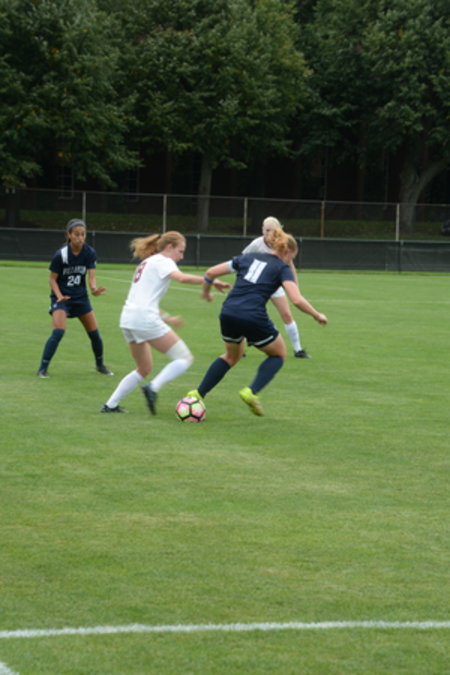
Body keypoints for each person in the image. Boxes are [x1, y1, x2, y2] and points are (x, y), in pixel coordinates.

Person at [186, 228, 328, 417]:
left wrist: (205, 291)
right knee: (279, 354)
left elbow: (211, 272)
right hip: (253, 315)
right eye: (291, 258)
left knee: (231, 356)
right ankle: (251, 392)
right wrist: (316, 315)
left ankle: (197, 393)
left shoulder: (247, 257)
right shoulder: (282, 268)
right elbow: (296, 299)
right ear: (287, 252)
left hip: (228, 312)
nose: (290, 262)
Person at [101, 231, 230, 414]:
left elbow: (143, 299)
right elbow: (182, 278)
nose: (182, 256)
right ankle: (153, 387)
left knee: (144, 367)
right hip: (144, 318)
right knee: (184, 358)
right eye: (180, 251)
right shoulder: (164, 261)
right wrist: (210, 280)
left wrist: (167, 318)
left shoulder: (147, 262)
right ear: (169, 247)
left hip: (128, 318)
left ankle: (110, 405)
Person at [36, 218, 113, 378]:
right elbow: (52, 280)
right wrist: (59, 296)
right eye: (77, 234)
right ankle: (42, 369)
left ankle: (100, 365)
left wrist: (94, 289)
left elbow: (91, 277)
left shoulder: (89, 253)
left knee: (95, 334)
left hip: (80, 298)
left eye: (83, 234)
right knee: (58, 332)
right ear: (69, 235)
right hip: (61, 298)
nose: (80, 237)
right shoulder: (61, 255)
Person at [242, 216, 310, 358]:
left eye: (272, 230)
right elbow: (243, 259)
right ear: (262, 230)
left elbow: (290, 265)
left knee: (287, 315)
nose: (269, 233)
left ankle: (298, 350)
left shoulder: (283, 244)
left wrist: (295, 287)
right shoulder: (257, 244)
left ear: (279, 230)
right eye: (266, 230)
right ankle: (240, 350)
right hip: (257, 286)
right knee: (246, 314)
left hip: (274, 284)